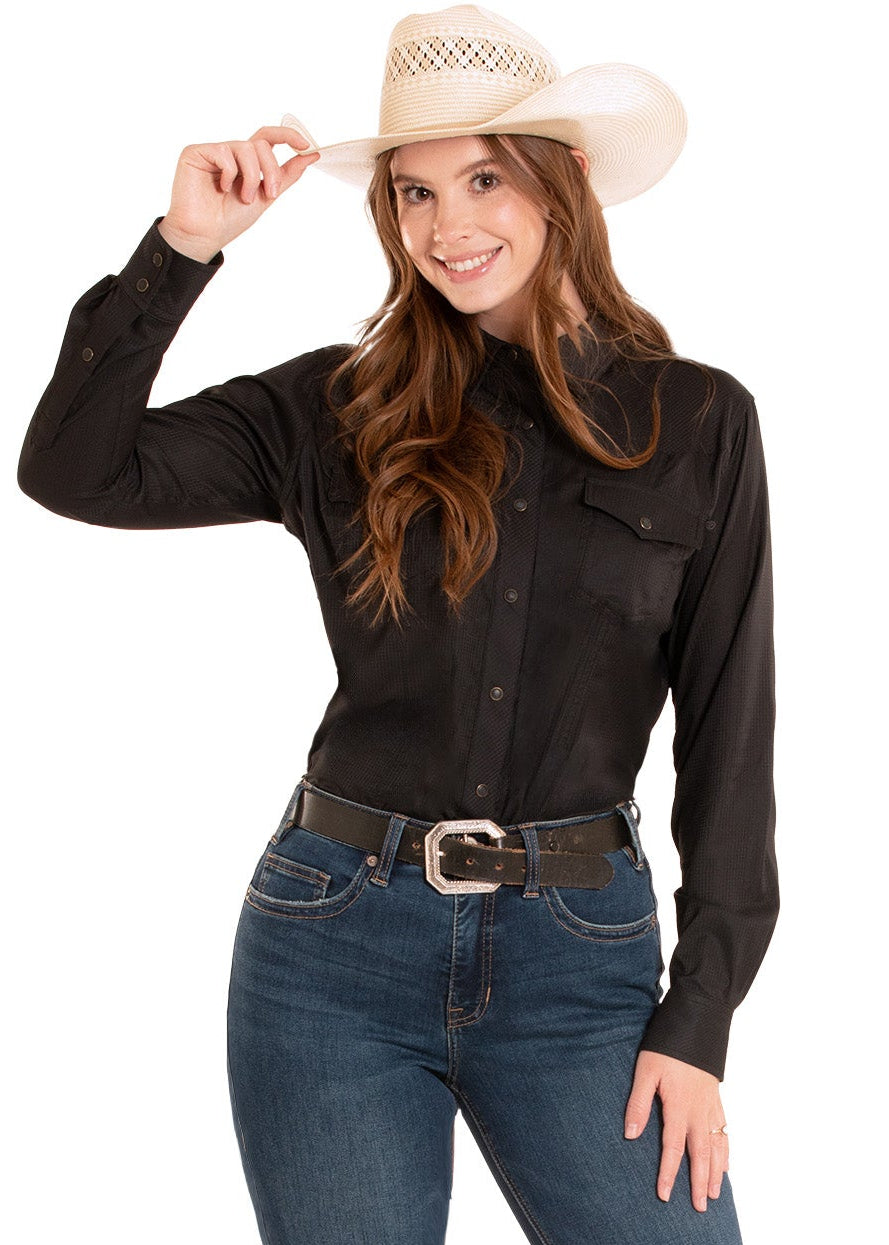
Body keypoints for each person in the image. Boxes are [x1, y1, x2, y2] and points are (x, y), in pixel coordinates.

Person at [17, 5, 777, 1243]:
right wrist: (184, 248)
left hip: (578, 963)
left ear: (563, 181)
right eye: (415, 194)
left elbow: (733, 737)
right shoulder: (336, 406)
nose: (448, 226)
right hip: (331, 950)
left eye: (484, 178)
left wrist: (698, 1023)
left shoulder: (696, 423)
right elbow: (76, 472)